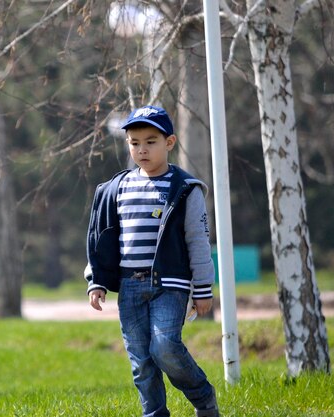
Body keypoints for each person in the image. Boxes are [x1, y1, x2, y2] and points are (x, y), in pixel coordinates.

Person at [84, 105, 220, 417]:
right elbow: (100, 241)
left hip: (170, 284)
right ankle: (154, 413)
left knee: (165, 347)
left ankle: (203, 398)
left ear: (169, 142)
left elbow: (198, 241)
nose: (142, 149)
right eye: (134, 143)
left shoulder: (185, 189)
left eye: (150, 141)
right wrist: (98, 281)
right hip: (130, 286)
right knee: (141, 360)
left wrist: (202, 289)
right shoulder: (115, 189)